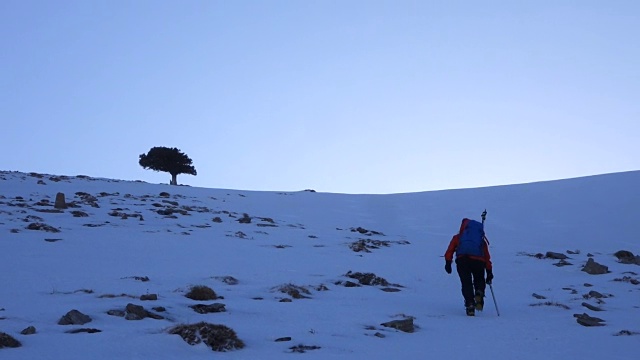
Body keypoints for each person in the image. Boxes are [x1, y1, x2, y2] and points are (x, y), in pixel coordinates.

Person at [444, 218, 493, 316]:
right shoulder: (480, 240)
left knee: (466, 283)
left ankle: (470, 305)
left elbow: (450, 250)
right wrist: (489, 272)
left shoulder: (458, 237)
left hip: (462, 260)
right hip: (478, 261)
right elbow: (486, 256)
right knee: (479, 279)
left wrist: (448, 263)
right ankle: (479, 292)